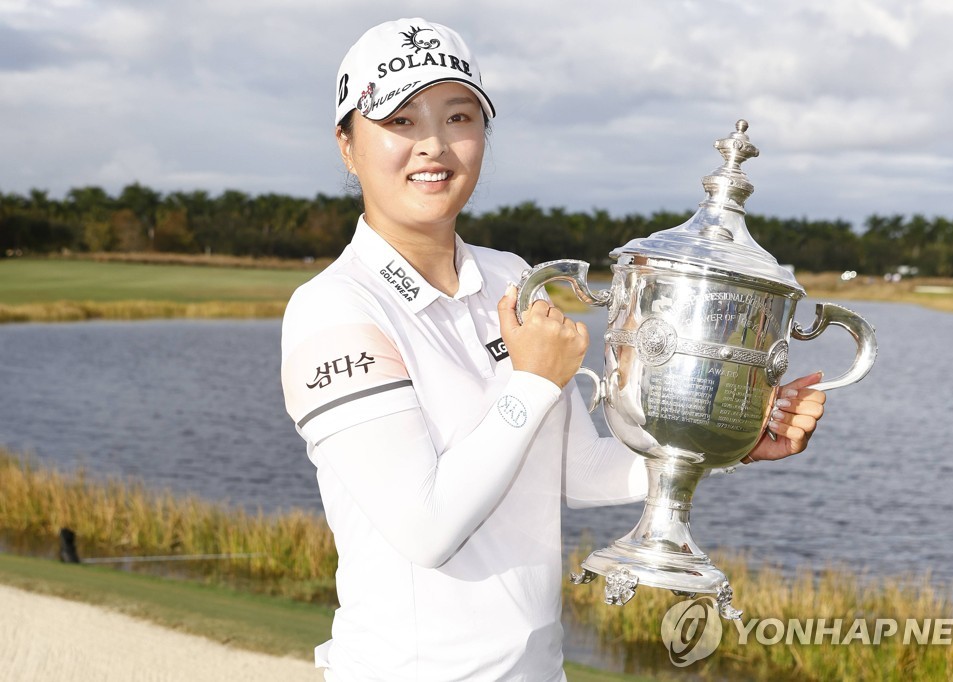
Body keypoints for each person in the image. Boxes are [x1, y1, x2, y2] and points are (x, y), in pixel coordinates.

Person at [280, 17, 827, 681]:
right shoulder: (333, 307)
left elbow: (574, 471)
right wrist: (532, 384)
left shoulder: (511, 277)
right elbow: (425, 527)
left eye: (458, 117)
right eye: (400, 122)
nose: (434, 146)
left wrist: (727, 443)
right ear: (347, 145)